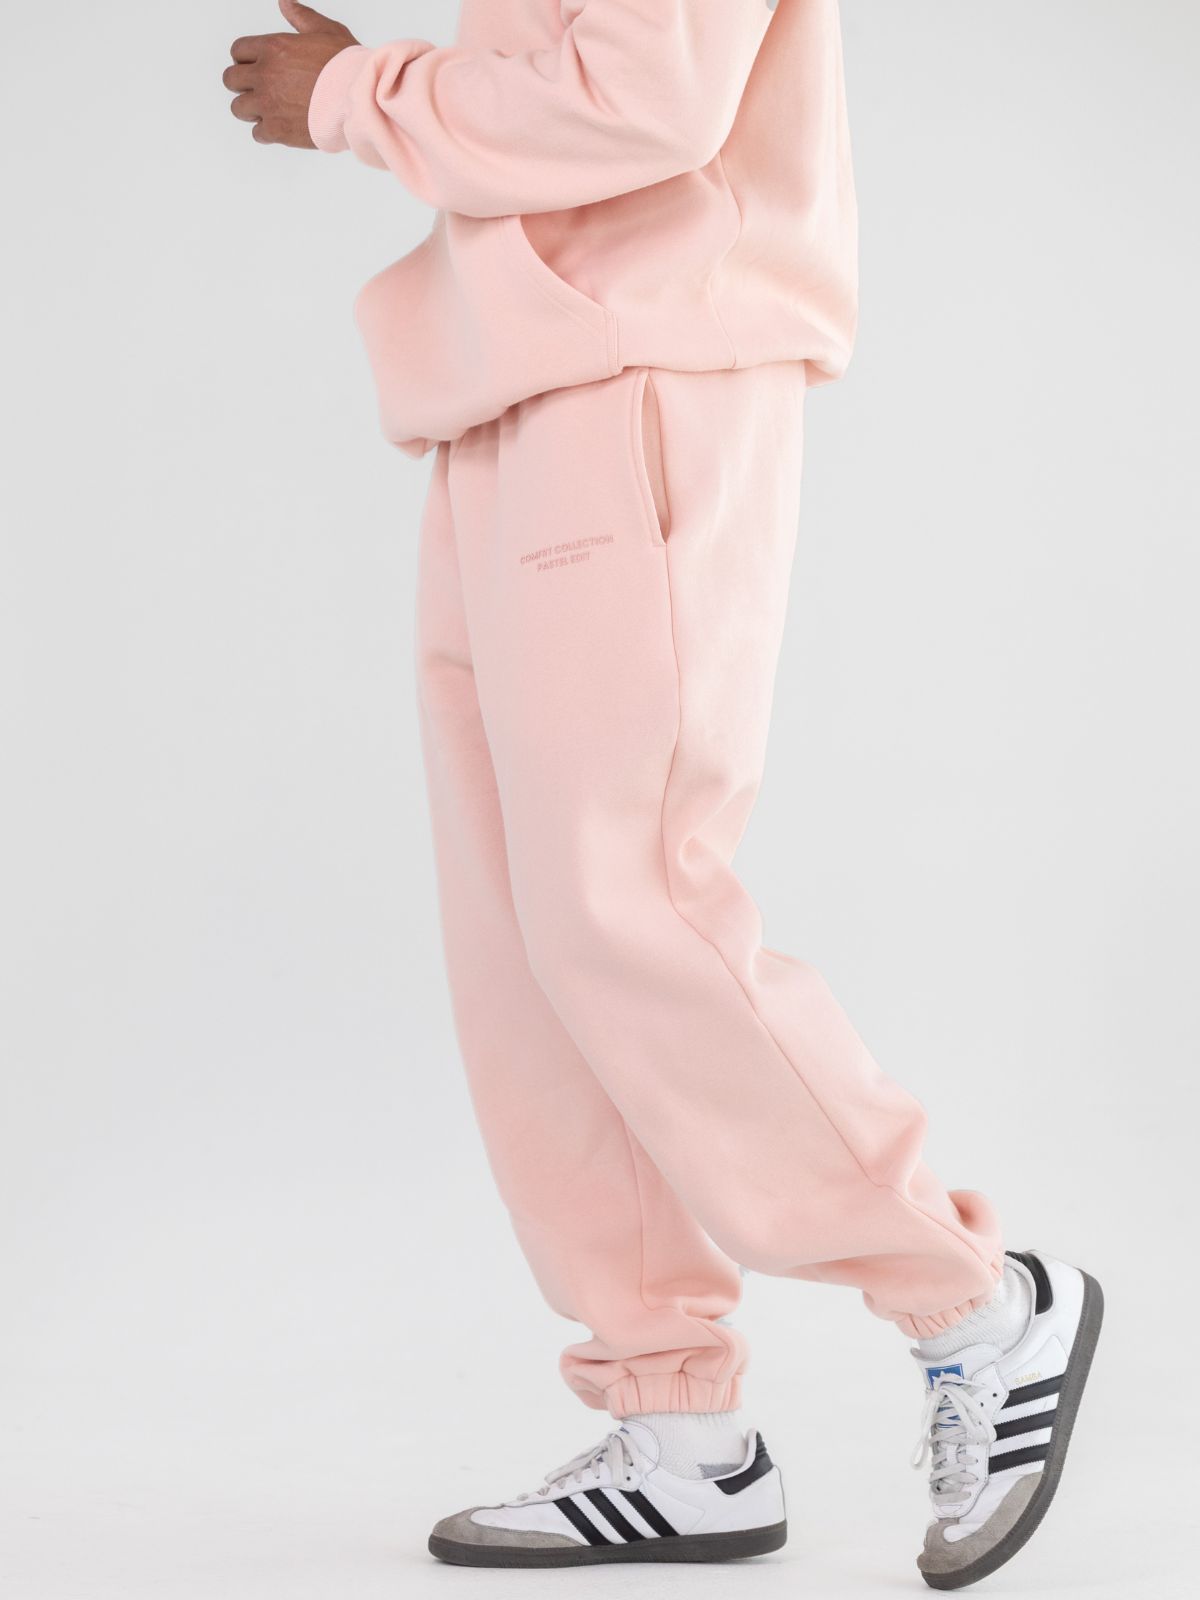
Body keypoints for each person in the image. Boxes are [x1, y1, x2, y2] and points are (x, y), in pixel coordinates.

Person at [224, 1, 1102, 1586]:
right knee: (528, 946)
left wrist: (359, 93)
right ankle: (680, 1427)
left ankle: (977, 1302)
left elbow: (649, 96)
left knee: (624, 901)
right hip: (515, 375)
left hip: (639, 366)